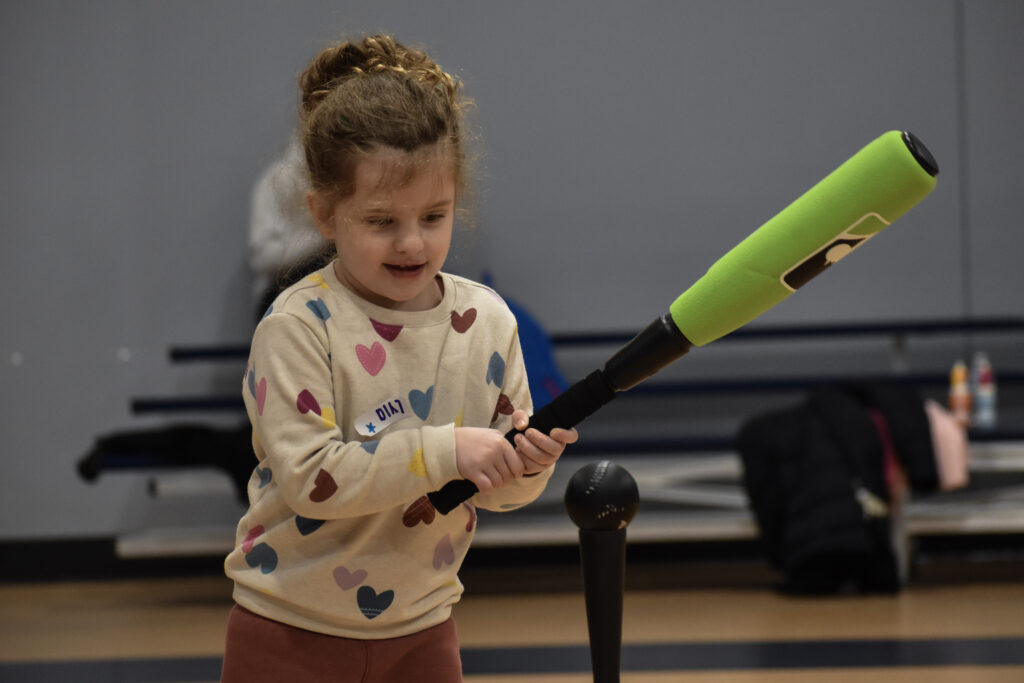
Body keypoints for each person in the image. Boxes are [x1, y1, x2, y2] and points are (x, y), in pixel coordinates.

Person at [220, 34, 578, 682]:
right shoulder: (298, 325)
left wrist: (523, 465)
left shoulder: (488, 321)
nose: (412, 241)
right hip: (285, 631)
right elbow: (312, 479)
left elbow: (496, 492)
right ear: (324, 213)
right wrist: (449, 450)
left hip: (424, 627)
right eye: (382, 221)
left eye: (434, 215)